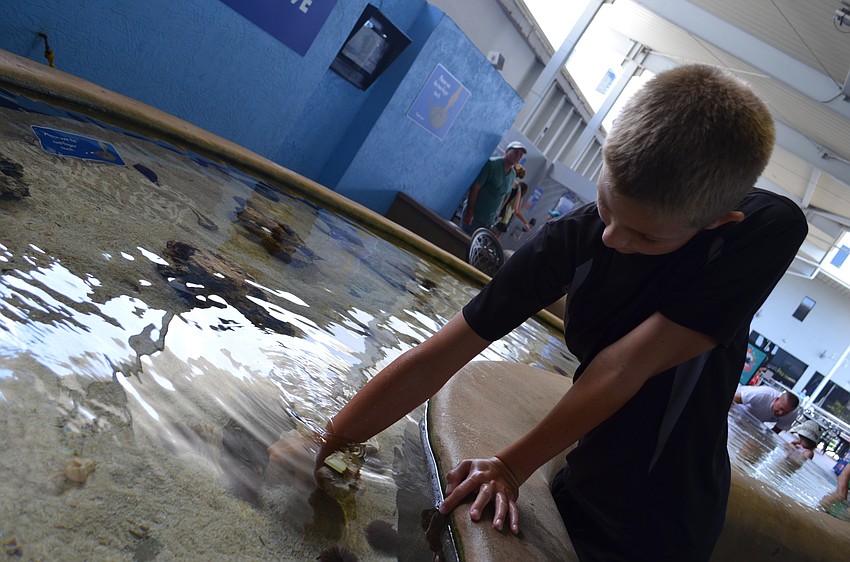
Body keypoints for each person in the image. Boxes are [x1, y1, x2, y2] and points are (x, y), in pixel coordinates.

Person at [268, 65, 807, 560]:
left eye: (646, 235)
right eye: (606, 203)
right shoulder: (569, 240)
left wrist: (510, 464)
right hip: (580, 477)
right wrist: (329, 438)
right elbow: (444, 352)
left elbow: (624, 366)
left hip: (664, 522)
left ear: (716, 222)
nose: (614, 238)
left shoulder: (760, 231)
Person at [461, 141, 527, 234]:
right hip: (474, 216)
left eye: (520, 155)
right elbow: (475, 188)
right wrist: (469, 212)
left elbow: (506, 195)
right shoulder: (492, 164)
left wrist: (498, 213)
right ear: (507, 151)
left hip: (488, 221)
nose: (518, 157)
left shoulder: (512, 175)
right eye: (516, 152)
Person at [733, 385, 799, 433]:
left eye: (786, 412)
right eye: (781, 408)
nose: (781, 413)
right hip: (739, 407)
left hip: (754, 421)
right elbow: (734, 399)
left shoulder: (792, 414)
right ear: (776, 399)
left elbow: (775, 431)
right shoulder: (763, 394)